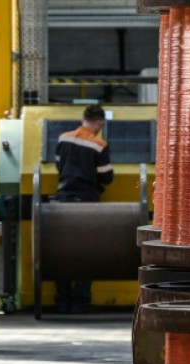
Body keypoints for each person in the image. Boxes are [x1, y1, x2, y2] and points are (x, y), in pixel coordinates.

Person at [52, 104, 113, 313]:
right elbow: (106, 177)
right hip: (88, 203)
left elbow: (58, 166)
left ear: (83, 118)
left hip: (64, 201)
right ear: (100, 122)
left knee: (62, 252)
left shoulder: (63, 138)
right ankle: (80, 302)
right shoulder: (99, 145)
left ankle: (61, 300)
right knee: (87, 253)